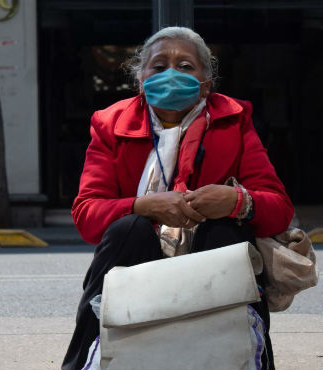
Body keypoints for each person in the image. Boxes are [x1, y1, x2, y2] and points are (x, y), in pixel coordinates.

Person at [62, 26, 294, 370]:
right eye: (158, 66)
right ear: (140, 79)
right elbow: (87, 215)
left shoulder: (234, 119)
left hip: (210, 262)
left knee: (224, 232)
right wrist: (144, 206)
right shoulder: (110, 123)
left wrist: (235, 201)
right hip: (138, 258)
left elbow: (279, 210)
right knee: (130, 229)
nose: (171, 74)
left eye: (186, 66)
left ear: (206, 81)